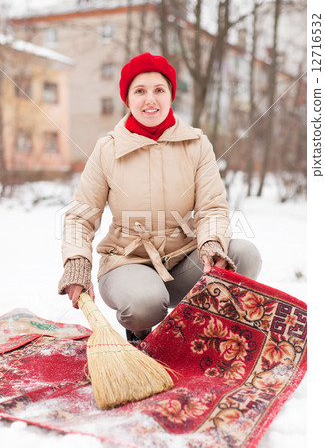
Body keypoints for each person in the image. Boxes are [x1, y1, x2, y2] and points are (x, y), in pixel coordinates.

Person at [58, 52, 262, 344]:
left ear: (170, 96)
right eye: (140, 91)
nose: (150, 99)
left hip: (184, 260)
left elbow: (212, 207)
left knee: (245, 256)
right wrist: (77, 264)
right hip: (128, 263)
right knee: (145, 302)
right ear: (127, 99)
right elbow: (80, 216)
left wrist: (212, 244)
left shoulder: (196, 144)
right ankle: (141, 336)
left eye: (159, 90)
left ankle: (202, 334)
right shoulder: (107, 149)